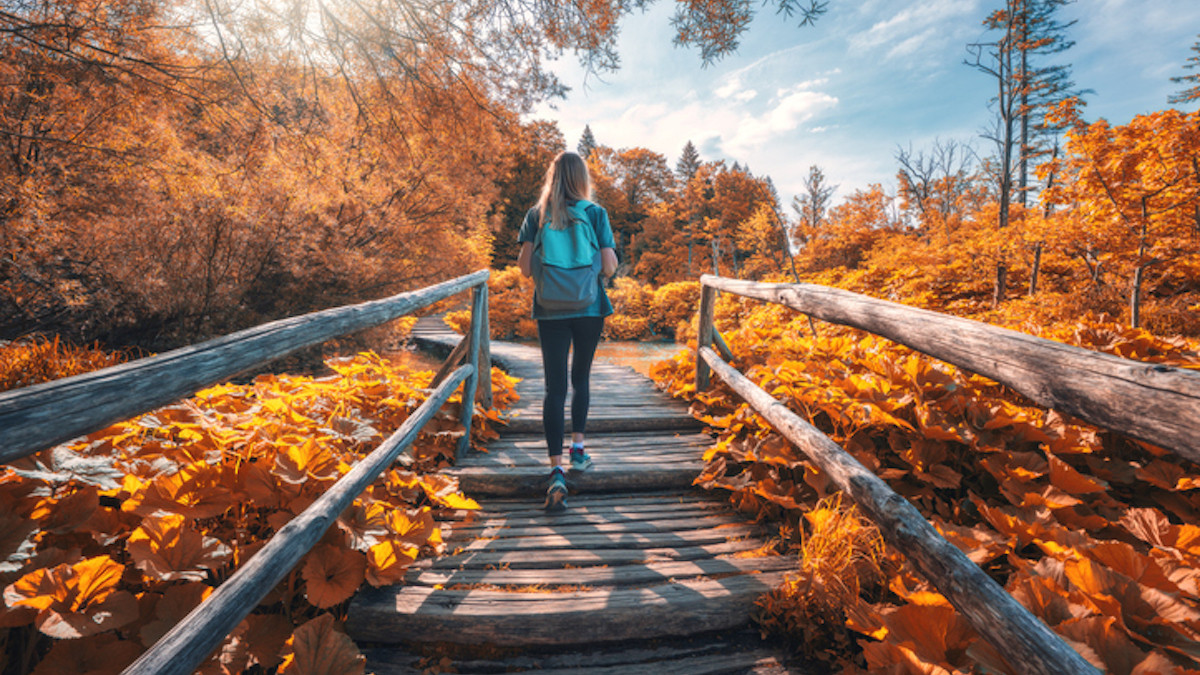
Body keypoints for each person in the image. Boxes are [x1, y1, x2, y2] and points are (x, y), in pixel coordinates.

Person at [518, 151, 619, 512]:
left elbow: (525, 270)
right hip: (589, 307)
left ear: (552, 176)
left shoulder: (536, 215)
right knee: (581, 379)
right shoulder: (595, 213)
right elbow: (608, 267)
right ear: (582, 178)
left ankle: (555, 469)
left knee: (554, 387)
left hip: (550, 310)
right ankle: (578, 450)